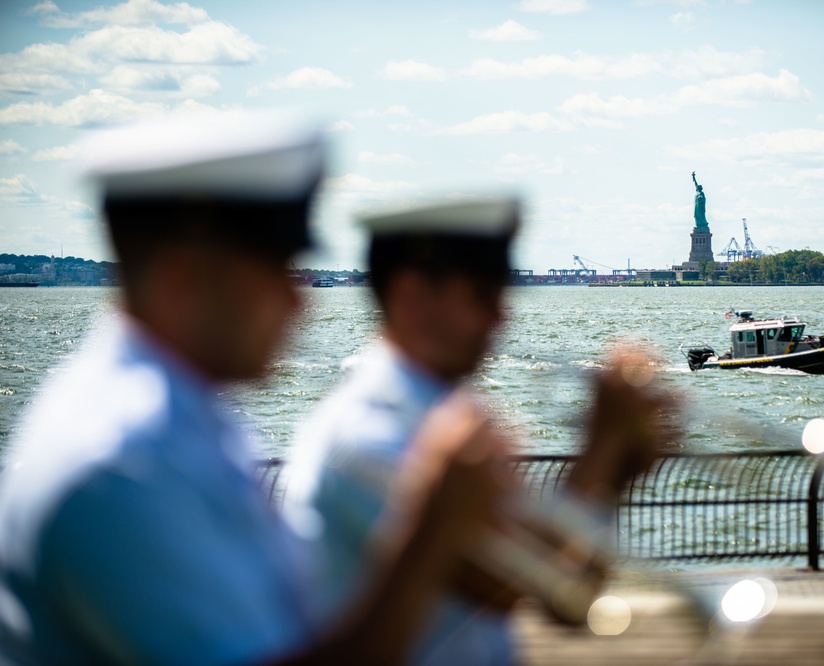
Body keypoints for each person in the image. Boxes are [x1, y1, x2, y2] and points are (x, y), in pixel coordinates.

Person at [0, 112, 510, 665]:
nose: (299, 302)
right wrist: (432, 522)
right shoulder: (120, 463)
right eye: (278, 269)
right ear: (184, 279)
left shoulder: (175, 423)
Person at [282, 197, 678, 665]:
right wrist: (600, 451)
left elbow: (569, 600)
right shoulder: (368, 434)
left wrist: (615, 473)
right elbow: (514, 585)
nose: (500, 316)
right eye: (483, 295)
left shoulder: (443, 417)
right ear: (411, 297)